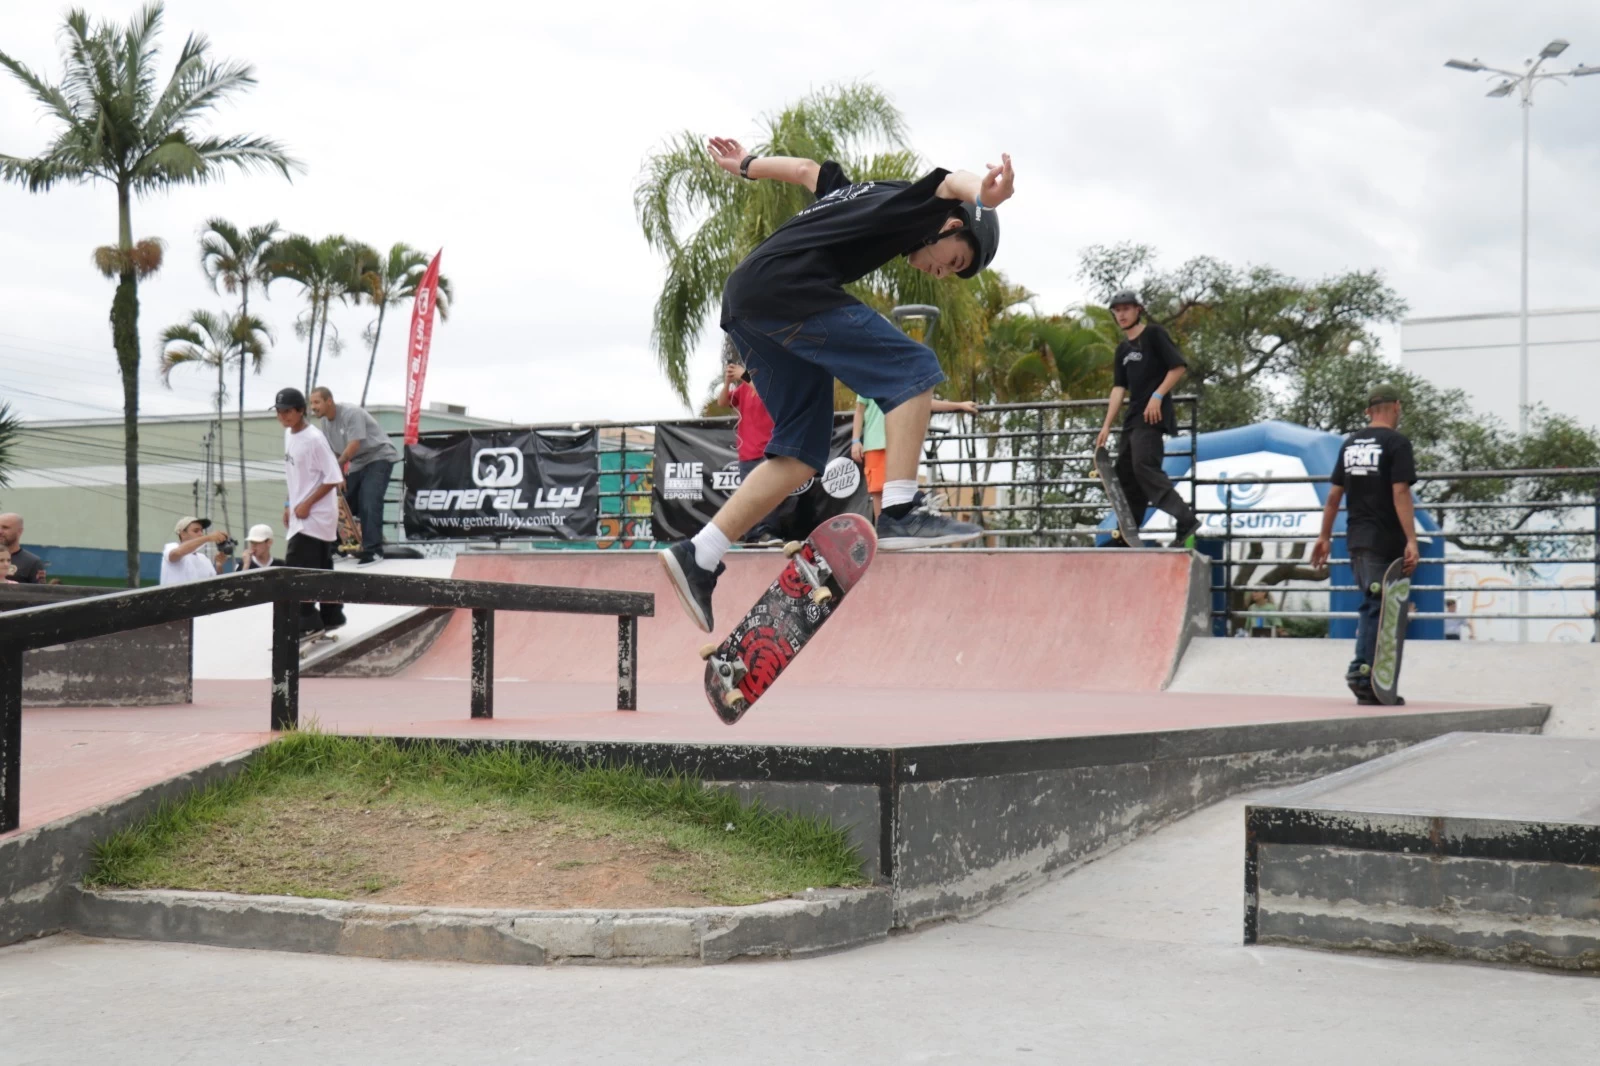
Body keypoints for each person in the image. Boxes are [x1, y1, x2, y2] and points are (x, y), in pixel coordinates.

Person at [660, 136, 1012, 632]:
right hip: (788, 290)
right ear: (952, 226)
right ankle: (902, 509)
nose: (939, 272)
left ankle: (700, 554)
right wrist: (984, 196)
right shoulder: (923, 208)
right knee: (913, 369)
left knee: (801, 452)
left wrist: (746, 164)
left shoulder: (857, 194)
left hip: (748, 302)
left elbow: (808, 169)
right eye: (953, 261)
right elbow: (953, 181)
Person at [1310, 383, 1419, 705]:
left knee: (1373, 603)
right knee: (1381, 607)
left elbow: (1333, 496)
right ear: (1396, 406)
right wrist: (1411, 539)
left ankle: (1368, 682)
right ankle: (1361, 673)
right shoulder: (1397, 443)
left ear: (1368, 410)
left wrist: (1324, 536)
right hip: (1384, 539)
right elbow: (1401, 492)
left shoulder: (1350, 443)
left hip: (1356, 538)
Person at [1093, 292, 1201, 549]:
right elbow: (1119, 388)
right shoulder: (1122, 349)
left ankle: (1185, 519)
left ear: (1138, 310)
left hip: (1152, 418)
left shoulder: (1153, 335)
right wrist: (1107, 425)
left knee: (1145, 466)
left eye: (1126, 309)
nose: (1121, 314)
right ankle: (1127, 533)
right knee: (1126, 475)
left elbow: (1178, 367)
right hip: (1131, 420)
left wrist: (1158, 395)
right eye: (1117, 310)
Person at [274, 387, 348, 635]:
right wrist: (288, 503)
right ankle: (331, 615)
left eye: (288, 412)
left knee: (297, 569)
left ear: (301, 411)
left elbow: (333, 477)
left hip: (315, 516)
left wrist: (306, 504)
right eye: (280, 412)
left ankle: (305, 621)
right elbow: (294, 476)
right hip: (302, 514)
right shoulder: (289, 435)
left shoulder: (314, 439)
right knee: (320, 567)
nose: (283, 416)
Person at [308, 386, 399, 565]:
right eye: (311, 403)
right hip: (358, 463)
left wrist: (338, 467)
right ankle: (339, 549)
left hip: (379, 456)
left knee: (369, 500)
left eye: (317, 402)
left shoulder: (351, 413)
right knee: (343, 502)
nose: (314, 407)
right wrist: (339, 476)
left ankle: (373, 551)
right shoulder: (326, 423)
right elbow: (333, 453)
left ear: (329, 401)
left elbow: (353, 445)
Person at [852, 396, 978, 515]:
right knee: (879, 498)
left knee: (903, 496)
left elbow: (925, 403)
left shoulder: (904, 379)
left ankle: (900, 533)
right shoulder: (868, 376)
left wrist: (959, 405)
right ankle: (883, 534)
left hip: (901, 447)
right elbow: (859, 411)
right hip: (875, 446)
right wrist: (855, 441)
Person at [719, 360, 792, 543]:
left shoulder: (769, 383)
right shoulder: (743, 389)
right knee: (748, 496)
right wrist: (727, 382)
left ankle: (768, 533)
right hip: (747, 451)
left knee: (769, 494)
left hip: (768, 448)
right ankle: (753, 536)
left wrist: (744, 375)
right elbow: (722, 402)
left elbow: (767, 395)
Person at [161, 516, 233, 585]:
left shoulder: (204, 559)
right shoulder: (171, 546)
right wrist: (208, 537)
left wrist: (219, 566)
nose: (201, 534)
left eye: (201, 530)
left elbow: (215, 584)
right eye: (196, 531)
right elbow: (176, 553)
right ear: (183, 534)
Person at [0, 513, 46, 583]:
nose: (0, 531)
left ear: (19, 531)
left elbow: (40, 592)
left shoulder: (32, 563)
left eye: (5, 528)